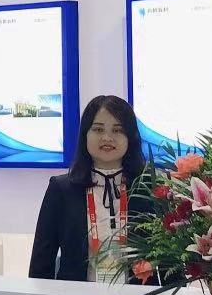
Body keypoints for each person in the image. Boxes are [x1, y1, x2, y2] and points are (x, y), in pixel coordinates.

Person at [29, 95, 153, 283]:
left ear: (131, 137)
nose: (107, 138)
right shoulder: (61, 189)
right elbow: (41, 262)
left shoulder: (149, 188)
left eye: (117, 130)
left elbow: (168, 259)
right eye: (98, 129)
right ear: (85, 135)